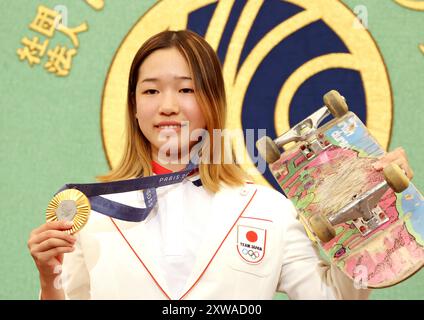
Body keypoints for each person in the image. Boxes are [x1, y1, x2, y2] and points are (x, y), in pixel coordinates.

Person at [27, 30, 414, 300]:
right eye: (150, 90)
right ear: (133, 105)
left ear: (214, 102)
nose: (168, 105)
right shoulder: (92, 214)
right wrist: (48, 281)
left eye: (186, 89)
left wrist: (373, 213)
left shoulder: (269, 211)